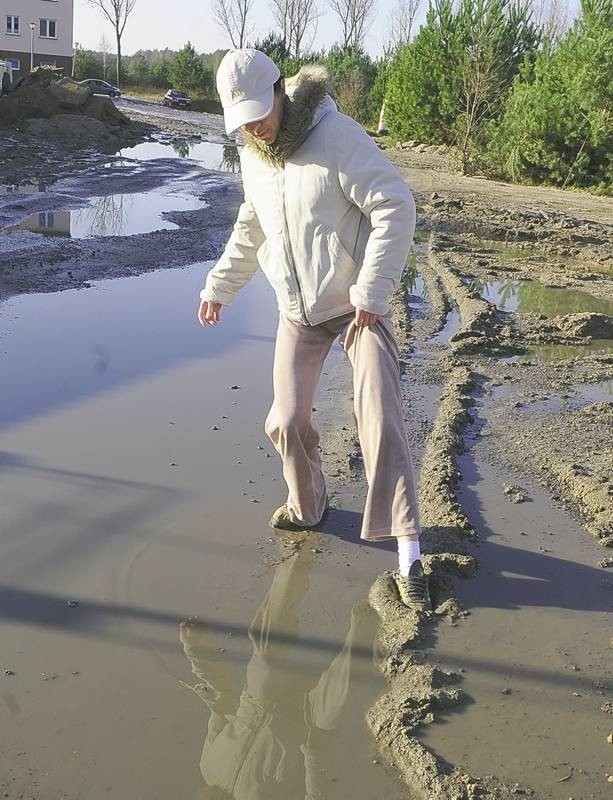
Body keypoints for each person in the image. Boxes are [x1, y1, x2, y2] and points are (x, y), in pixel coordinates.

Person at [197, 49, 431, 612]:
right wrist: (218, 287)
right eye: (244, 118)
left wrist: (372, 292)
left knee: (378, 415)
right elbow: (251, 226)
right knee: (285, 421)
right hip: (298, 313)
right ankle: (308, 506)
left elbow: (395, 204)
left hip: (357, 308)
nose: (256, 126)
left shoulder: (337, 136)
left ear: (281, 91)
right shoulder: (254, 154)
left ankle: (409, 552)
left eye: (261, 111)